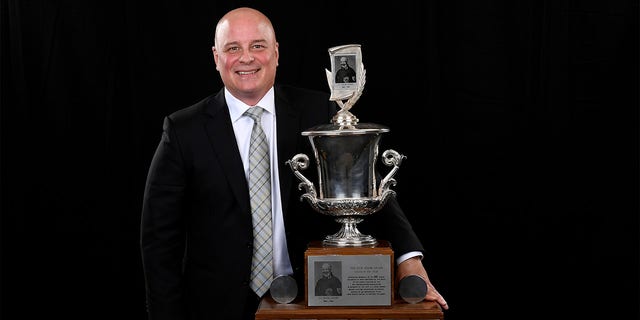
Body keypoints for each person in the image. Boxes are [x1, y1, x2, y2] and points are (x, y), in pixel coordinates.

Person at [140, 7, 448, 320]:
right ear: (216, 57)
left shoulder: (319, 111)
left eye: (258, 46)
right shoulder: (183, 130)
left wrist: (409, 259)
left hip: (308, 301)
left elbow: (369, 184)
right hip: (214, 307)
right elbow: (159, 239)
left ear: (275, 53)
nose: (246, 58)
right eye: (233, 48)